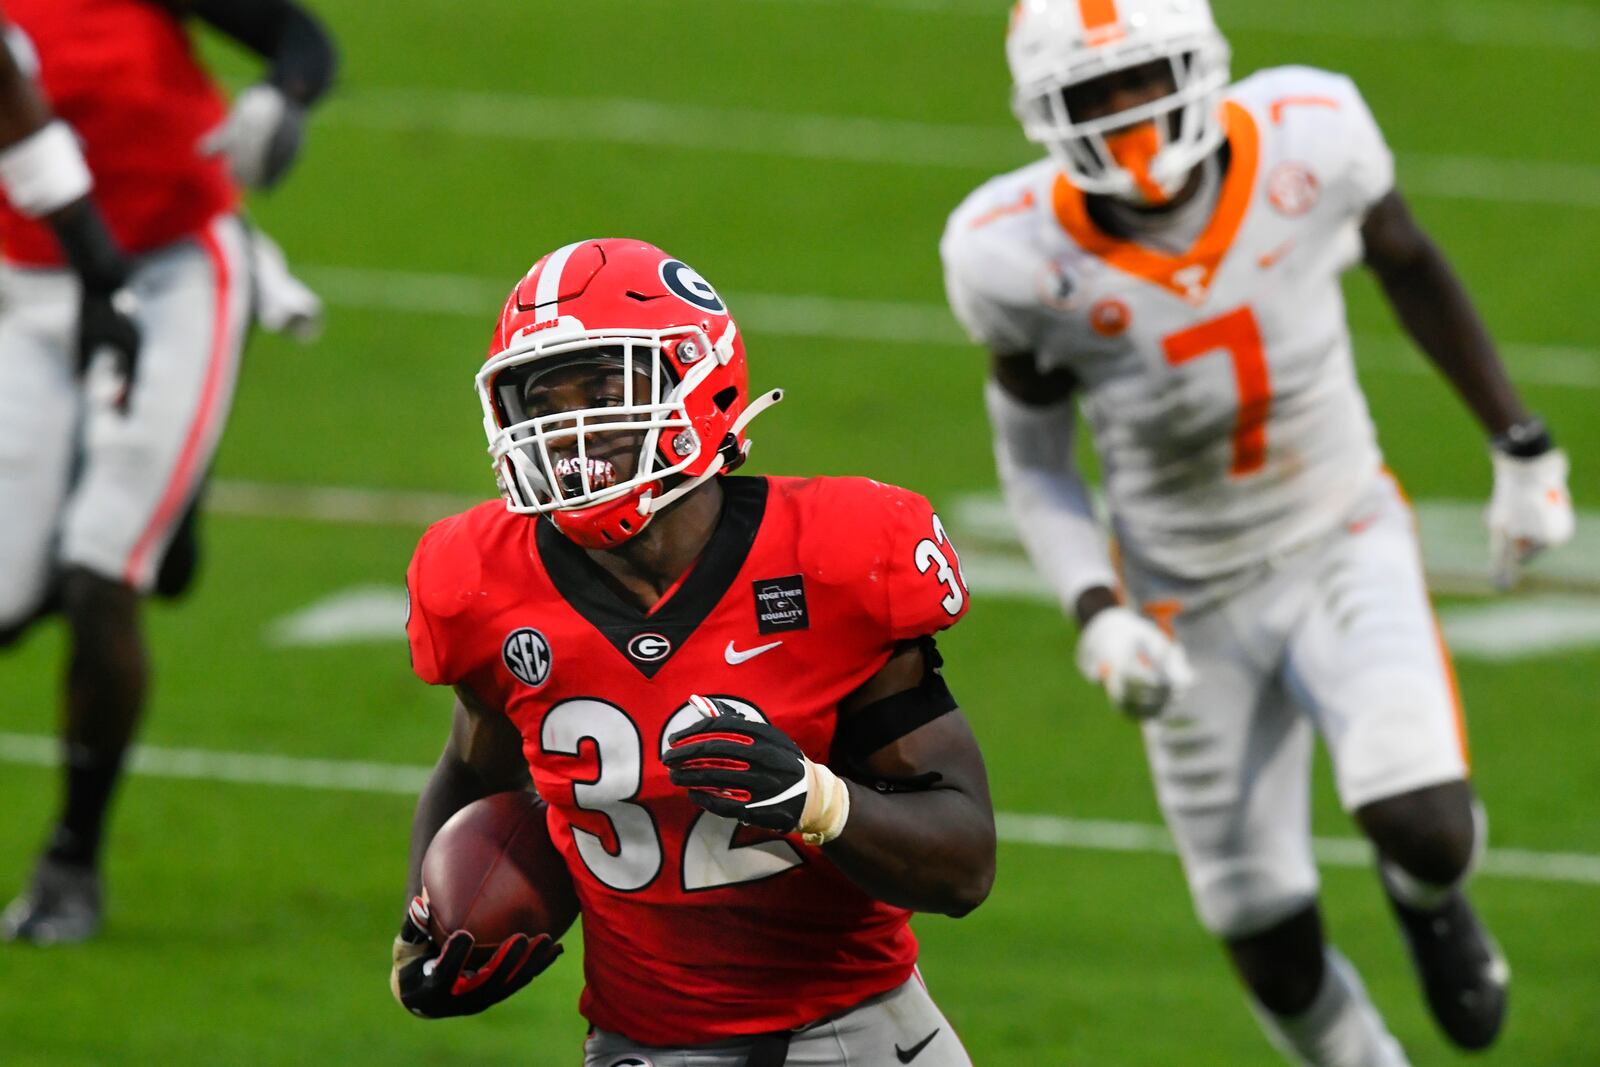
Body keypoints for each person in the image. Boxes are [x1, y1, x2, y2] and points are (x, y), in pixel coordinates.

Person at [940, 1, 1575, 1064]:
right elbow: (1035, 462)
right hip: (1183, 597)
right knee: (1264, 936)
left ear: (1200, 62)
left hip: (1337, 528)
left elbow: (1409, 262)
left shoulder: (1310, 133)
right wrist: (1097, 613)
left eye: (1144, 79)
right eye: (1094, 95)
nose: (1130, 115)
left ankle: (1427, 901)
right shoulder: (1011, 253)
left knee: (1426, 821)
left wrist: (1522, 445)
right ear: (1045, 111)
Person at [391, 239, 996, 1067]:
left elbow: (963, 863)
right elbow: (474, 766)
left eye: (605, 389)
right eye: (544, 399)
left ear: (699, 382)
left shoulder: (839, 554)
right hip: (646, 1045)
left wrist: (814, 798)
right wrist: (427, 927)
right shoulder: (480, 580)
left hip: (865, 1032)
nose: (574, 430)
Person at [0, 0, 337, 944]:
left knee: (105, 571)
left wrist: (283, 100)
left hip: (176, 264)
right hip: (27, 285)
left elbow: (298, 36)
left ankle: (71, 859)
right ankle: (157, 508)